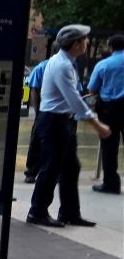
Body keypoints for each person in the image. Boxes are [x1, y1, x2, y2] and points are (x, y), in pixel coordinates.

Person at [27, 24, 111, 228]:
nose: (87, 43)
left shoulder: (66, 62)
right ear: (75, 44)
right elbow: (73, 98)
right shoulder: (62, 65)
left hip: (63, 120)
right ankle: (37, 211)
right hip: (54, 121)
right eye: (84, 40)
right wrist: (96, 123)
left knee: (70, 167)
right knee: (51, 167)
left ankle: (69, 212)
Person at [87, 34, 124, 195]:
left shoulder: (103, 64)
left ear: (110, 47)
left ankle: (111, 183)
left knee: (109, 147)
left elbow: (92, 88)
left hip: (110, 110)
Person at [23, 42, 60, 183]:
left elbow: (35, 90)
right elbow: (35, 91)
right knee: (42, 142)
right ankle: (33, 171)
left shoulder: (43, 67)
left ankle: (34, 172)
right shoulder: (43, 67)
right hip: (50, 113)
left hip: (48, 113)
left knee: (41, 142)